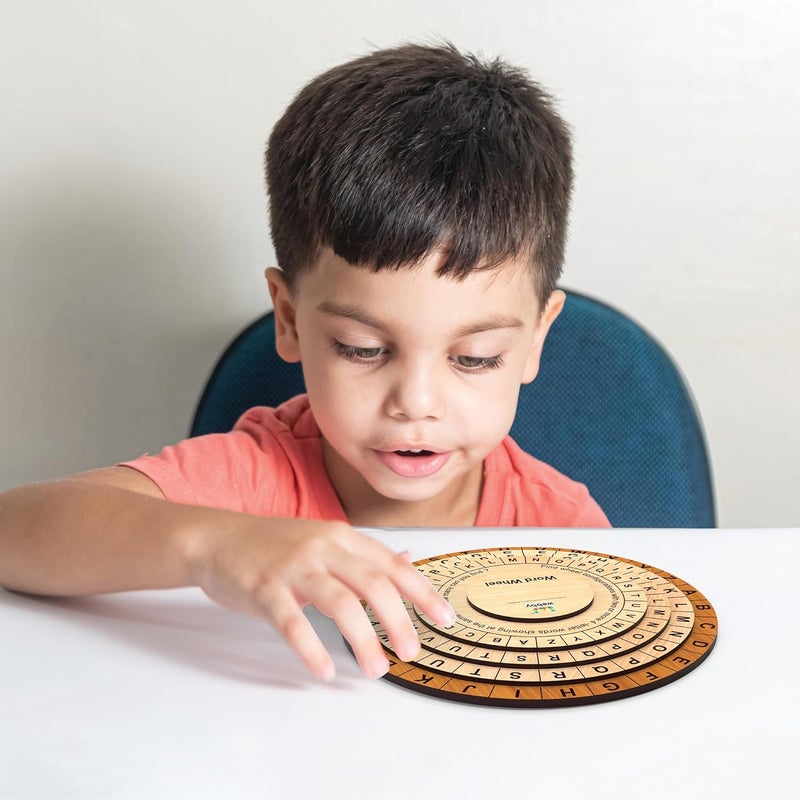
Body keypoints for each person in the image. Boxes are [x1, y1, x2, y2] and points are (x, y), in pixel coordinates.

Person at [0, 42, 609, 683]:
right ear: (289, 320)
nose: (417, 402)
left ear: (535, 340)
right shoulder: (253, 483)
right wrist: (215, 544)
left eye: (475, 358)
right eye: (362, 349)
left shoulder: (563, 529)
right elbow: (11, 532)